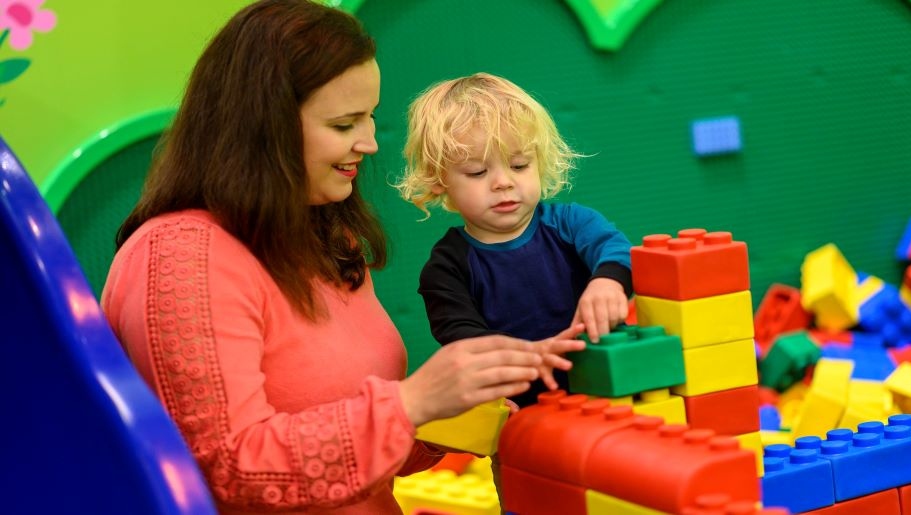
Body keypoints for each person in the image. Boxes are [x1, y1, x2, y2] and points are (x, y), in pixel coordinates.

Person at [101, 3, 584, 514]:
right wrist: (410, 403)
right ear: (265, 126)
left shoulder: (323, 239)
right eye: (344, 123)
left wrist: (442, 417)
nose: (371, 142)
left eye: (370, 117)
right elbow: (231, 469)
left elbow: (345, 451)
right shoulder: (181, 257)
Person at [397, 72, 634, 409]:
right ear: (438, 180)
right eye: (478, 172)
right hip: (519, 414)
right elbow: (463, 337)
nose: (503, 182)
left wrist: (608, 282)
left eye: (519, 165)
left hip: (608, 397)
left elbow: (616, 249)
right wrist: (498, 382)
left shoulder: (570, 223)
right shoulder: (447, 268)